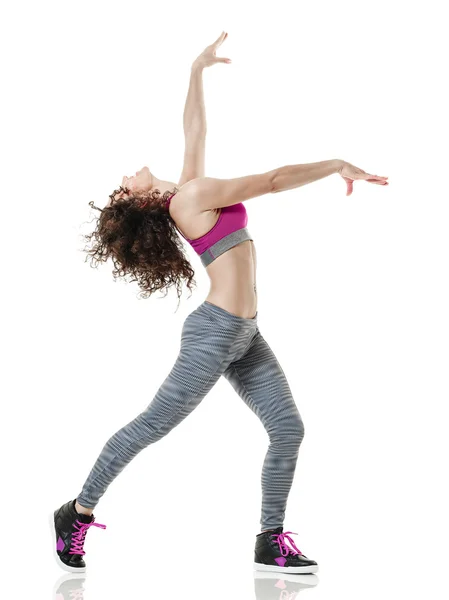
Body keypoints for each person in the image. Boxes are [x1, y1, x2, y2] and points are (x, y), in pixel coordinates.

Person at [49, 31, 389, 576]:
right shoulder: (190, 199)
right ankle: (77, 510)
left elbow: (195, 129)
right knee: (153, 424)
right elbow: (274, 181)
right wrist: (336, 164)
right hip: (215, 332)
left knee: (288, 428)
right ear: (141, 203)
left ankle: (270, 540)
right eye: (120, 190)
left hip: (244, 331)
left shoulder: (189, 190)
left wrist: (195, 69)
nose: (122, 179)